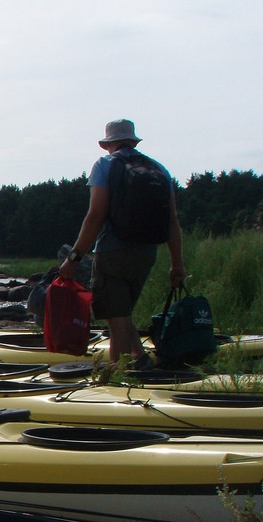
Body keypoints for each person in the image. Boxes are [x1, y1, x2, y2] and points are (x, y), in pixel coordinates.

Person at [59, 119, 186, 368]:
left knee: (116, 317)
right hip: (147, 252)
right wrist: (177, 264)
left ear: (108, 144)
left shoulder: (105, 164)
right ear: (133, 141)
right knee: (122, 312)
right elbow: (172, 220)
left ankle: (118, 375)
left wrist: (74, 257)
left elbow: (95, 215)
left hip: (113, 251)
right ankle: (141, 359)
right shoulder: (158, 169)